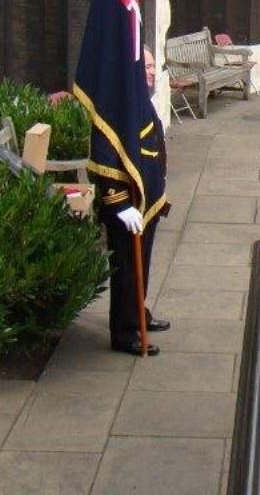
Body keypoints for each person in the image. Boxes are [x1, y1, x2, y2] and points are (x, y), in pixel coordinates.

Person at [96, 47, 171, 356]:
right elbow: (105, 156)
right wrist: (118, 203)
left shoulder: (140, 101)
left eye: (154, 66)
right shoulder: (118, 107)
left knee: (142, 263)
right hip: (128, 206)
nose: (153, 72)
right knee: (126, 268)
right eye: (148, 67)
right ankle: (125, 332)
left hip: (147, 202)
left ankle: (138, 313)